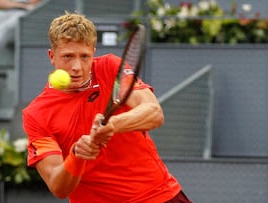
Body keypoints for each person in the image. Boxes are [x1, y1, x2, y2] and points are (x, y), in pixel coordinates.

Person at [22, 12, 192, 203]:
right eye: (68, 56)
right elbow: (58, 187)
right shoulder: (36, 115)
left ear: (93, 52)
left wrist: (113, 124)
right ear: (52, 56)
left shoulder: (110, 68)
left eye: (84, 56)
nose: (77, 66)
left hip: (157, 196)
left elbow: (154, 112)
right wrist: (77, 155)